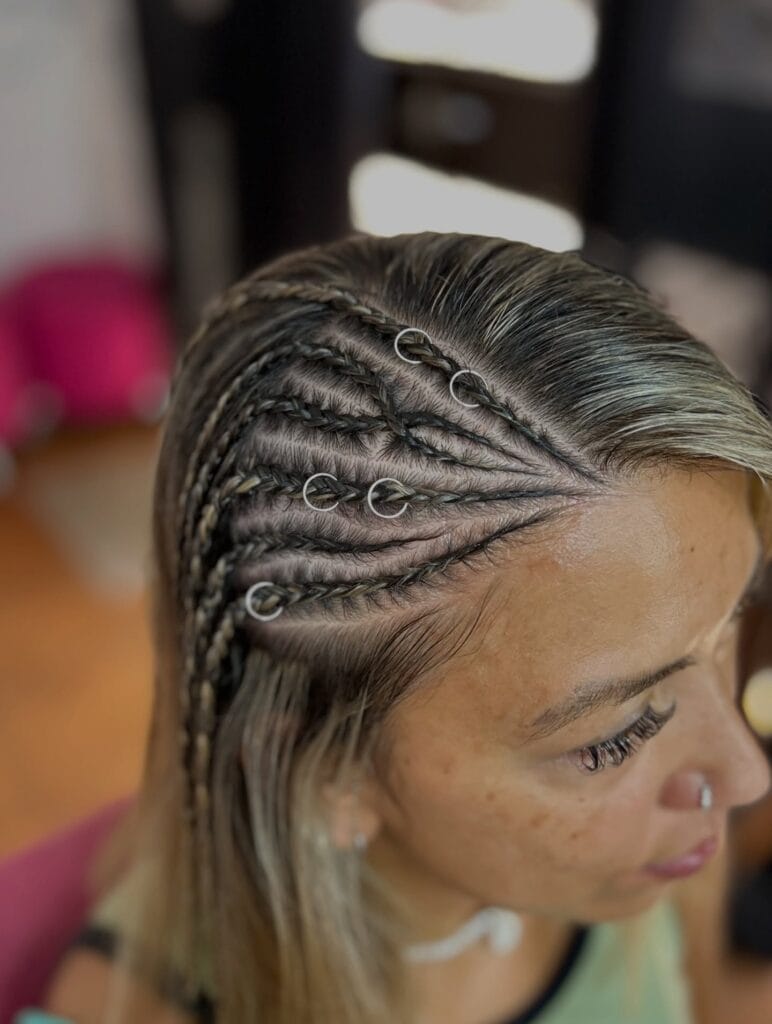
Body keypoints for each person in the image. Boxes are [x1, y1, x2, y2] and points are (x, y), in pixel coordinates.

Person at [30, 232, 772, 1024]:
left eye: (725, 627)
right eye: (616, 739)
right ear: (322, 772)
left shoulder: (661, 831)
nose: (744, 775)